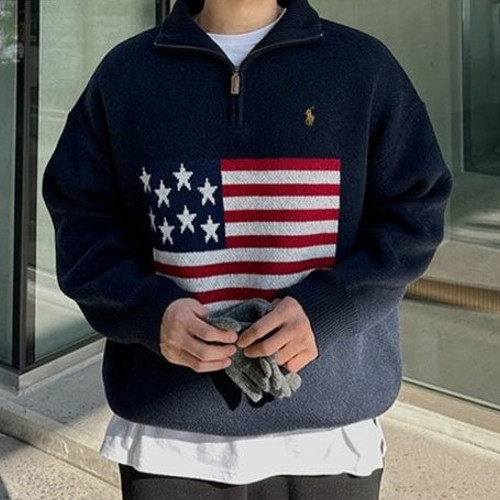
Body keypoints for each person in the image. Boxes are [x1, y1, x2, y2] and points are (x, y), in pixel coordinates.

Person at [41, 0, 453, 498]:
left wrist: (329, 307)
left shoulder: (363, 67)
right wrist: (150, 313)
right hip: (168, 441)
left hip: (331, 439)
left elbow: (416, 211)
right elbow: (82, 222)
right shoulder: (125, 75)